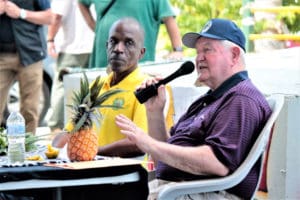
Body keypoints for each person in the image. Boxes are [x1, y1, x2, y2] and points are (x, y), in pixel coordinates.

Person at [115, 18, 272, 199]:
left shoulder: (241, 98)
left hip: (200, 193)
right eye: (197, 51)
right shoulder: (209, 99)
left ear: (234, 55)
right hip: (177, 189)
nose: (199, 58)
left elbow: (217, 163)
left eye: (207, 49)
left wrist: (148, 143)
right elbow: (163, 160)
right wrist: (155, 111)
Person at [53, 17, 174, 158]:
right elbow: (70, 130)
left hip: (124, 174)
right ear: (107, 46)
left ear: (141, 52)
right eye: (113, 41)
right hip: (88, 167)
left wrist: (92, 152)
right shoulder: (96, 86)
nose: (118, 49)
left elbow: (140, 143)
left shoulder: (146, 88)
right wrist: (54, 151)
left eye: (129, 43)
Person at [78, 0, 184, 68]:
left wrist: (178, 50)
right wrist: (95, 27)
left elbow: (169, 18)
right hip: (103, 61)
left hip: (137, 65)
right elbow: (81, 2)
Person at [0, 0, 52, 134]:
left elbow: (49, 17)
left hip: (31, 53)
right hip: (2, 56)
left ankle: (28, 149)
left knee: (30, 108)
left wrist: (21, 13)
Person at [46, 0, 95, 136]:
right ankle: (84, 128)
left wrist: (50, 39)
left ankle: (56, 128)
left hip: (72, 48)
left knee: (62, 87)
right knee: (88, 89)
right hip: (93, 45)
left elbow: (56, 16)